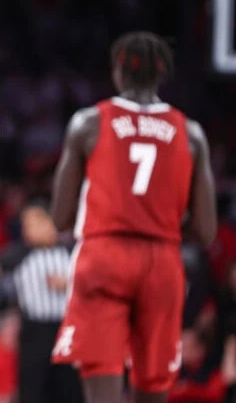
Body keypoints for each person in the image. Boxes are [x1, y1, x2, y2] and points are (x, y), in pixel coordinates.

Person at [50, 31, 217, 403]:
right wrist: (158, 221)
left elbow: (59, 218)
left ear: (118, 71)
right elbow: (205, 232)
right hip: (161, 259)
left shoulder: (88, 122)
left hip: (104, 254)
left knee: (102, 385)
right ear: (163, 74)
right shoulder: (191, 134)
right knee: (153, 382)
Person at [0, 198, 83, 403]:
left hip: (67, 330)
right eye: (25, 225)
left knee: (69, 388)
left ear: (48, 222)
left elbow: (95, 278)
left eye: (32, 224)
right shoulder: (21, 252)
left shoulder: (71, 249)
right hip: (35, 331)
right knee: (33, 388)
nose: (27, 231)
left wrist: (69, 283)